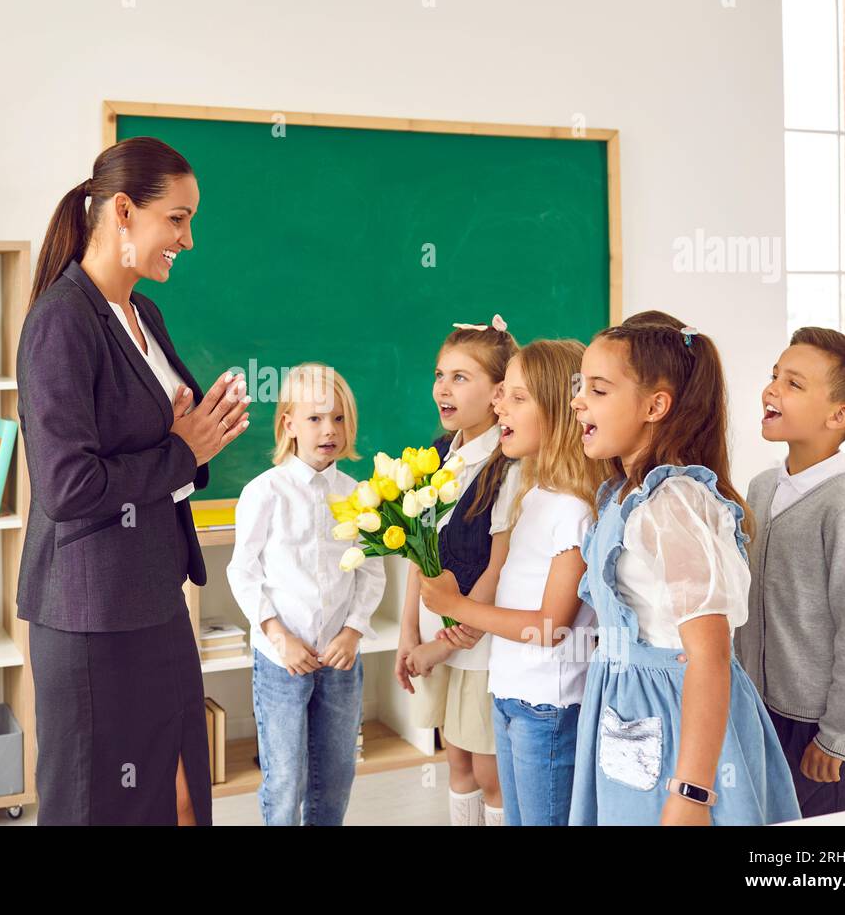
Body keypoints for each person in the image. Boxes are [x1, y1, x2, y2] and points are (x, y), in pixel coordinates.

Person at [16, 136, 249, 824]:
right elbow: (66, 487)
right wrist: (180, 449)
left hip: (155, 601)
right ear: (123, 211)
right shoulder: (61, 321)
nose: (189, 237)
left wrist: (192, 436)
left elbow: (168, 443)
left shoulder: (144, 313)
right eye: (177, 218)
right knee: (99, 806)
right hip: (90, 616)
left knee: (180, 791)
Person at [567, 321, 800, 825]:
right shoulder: (624, 495)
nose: (579, 401)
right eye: (579, 386)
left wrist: (691, 791)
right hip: (628, 706)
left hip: (674, 720)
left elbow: (710, 655)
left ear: (655, 407)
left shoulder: (671, 505)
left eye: (598, 389)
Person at [422, 339, 610, 825]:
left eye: (517, 397)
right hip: (511, 694)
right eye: (502, 393)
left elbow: (551, 627)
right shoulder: (533, 494)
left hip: (547, 708)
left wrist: (457, 606)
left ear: (560, 410)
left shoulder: (573, 510)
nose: (499, 405)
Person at [737, 326, 845, 817]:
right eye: (774, 376)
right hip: (761, 709)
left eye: (793, 384)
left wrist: (837, 737)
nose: (771, 389)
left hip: (819, 727)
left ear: (839, 415)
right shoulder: (760, 488)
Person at [227, 363, 386, 825]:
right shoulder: (265, 492)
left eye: (338, 419)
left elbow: (371, 572)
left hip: (340, 660)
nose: (328, 430)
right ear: (288, 424)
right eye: (314, 418)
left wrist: (354, 631)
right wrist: (279, 636)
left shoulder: (357, 494)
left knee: (335, 776)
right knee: (285, 780)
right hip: (282, 662)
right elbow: (243, 571)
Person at [397, 314, 518, 826]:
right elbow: (416, 553)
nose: (442, 389)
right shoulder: (436, 455)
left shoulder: (509, 466)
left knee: (490, 775)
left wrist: (437, 646)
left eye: (461, 378)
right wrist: (407, 634)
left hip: (477, 648)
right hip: (431, 641)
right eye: (439, 375)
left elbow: (493, 580)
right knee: (457, 764)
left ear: (498, 393)